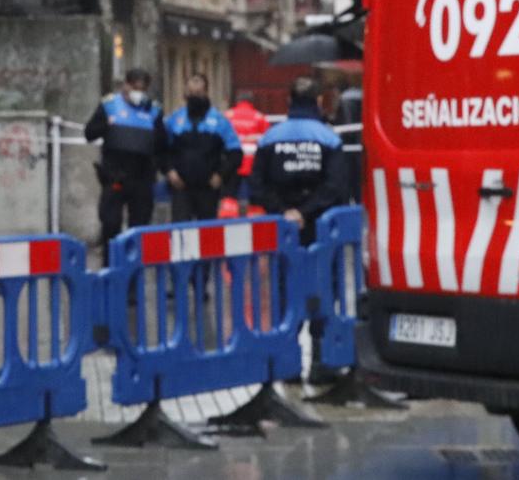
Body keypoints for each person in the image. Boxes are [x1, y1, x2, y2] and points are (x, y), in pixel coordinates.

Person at [253, 75, 353, 384]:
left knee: (285, 291)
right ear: (317, 103)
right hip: (321, 230)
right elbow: (337, 186)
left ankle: (287, 364)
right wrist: (307, 212)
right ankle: (321, 363)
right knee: (324, 288)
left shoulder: (271, 138)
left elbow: (257, 186)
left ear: (288, 103)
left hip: (283, 231)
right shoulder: (329, 137)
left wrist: (285, 212)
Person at [84, 67, 168, 244]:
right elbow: (89, 133)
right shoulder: (109, 105)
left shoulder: (154, 111)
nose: (138, 93)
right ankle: (109, 265)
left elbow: (162, 144)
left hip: (142, 178)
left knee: (139, 227)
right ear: (125, 86)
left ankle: (133, 268)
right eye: (134, 88)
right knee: (110, 223)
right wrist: (107, 125)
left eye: (142, 89)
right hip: (115, 175)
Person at [162, 73, 244, 222]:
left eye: (198, 93)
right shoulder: (174, 120)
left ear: (206, 92)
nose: (194, 97)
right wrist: (169, 171)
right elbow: (162, 149)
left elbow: (235, 153)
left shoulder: (220, 121)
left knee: (207, 232)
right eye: (191, 93)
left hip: (208, 188)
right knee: (181, 230)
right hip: (181, 187)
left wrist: (221, 175)